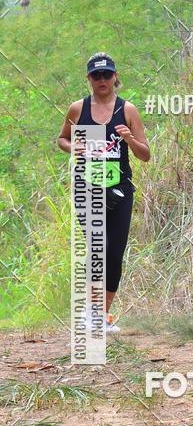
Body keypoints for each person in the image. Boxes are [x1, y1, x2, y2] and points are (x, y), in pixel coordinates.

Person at [57, 53, 150, 332]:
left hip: (119, 188)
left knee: (115, 250)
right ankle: (90, 312)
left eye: (106, 75)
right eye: (96, 76)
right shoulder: (78, 109)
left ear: (114, 77)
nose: (102, 80)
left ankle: (100, 315)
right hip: (88, 186)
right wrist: (73, 147)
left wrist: (129, 138)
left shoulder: (127, 110)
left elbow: (145, 154)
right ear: (88, 79)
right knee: (98, 246)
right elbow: (62, 138)